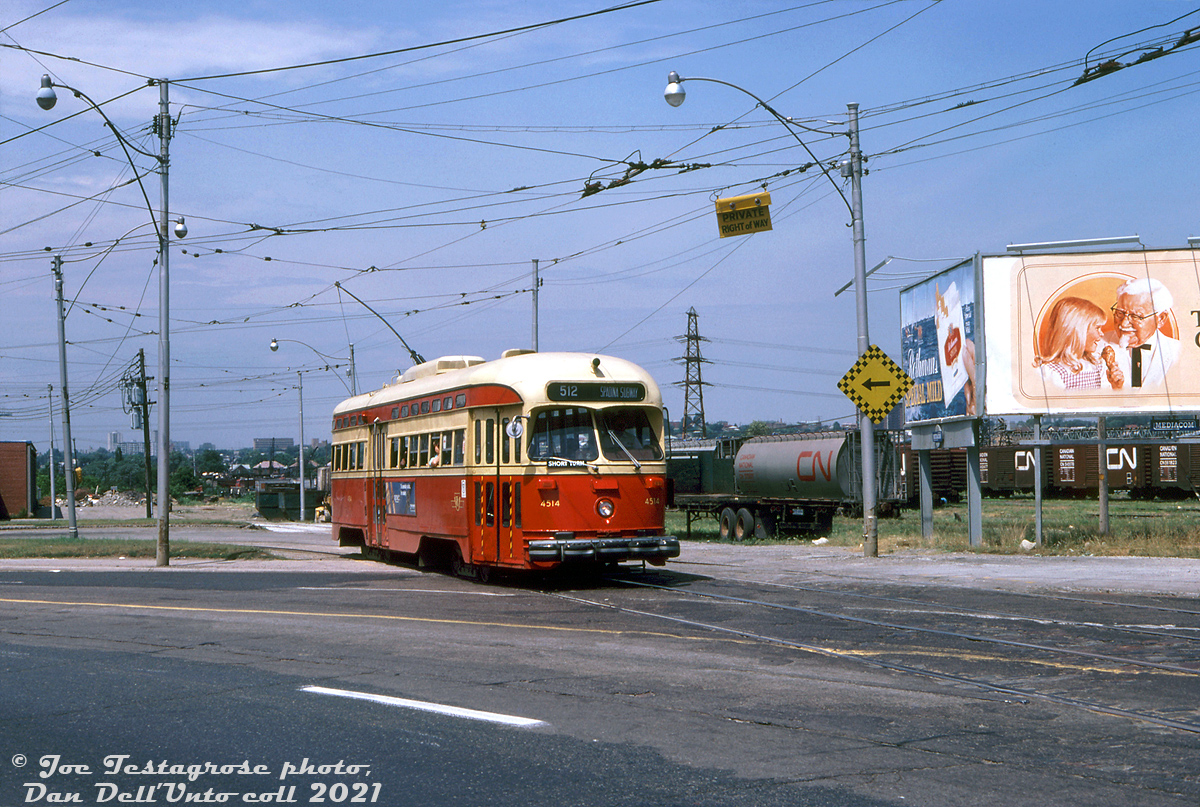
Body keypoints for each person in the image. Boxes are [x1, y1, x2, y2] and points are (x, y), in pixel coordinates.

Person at [1103, 278, 1180, 388]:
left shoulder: (1178, 351)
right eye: (1120, 313)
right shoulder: (1094, 347)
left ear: (1161, 319)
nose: (1123, 324)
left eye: (1136, 316)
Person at [1034, 296, 1117, 390]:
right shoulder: (1053, 372)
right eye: (1097, 328)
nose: (1102, 333)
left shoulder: (1097, 364)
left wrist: (1115, 386)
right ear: (1078, 332)